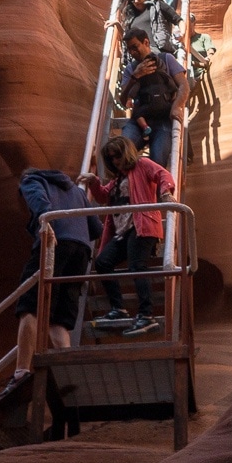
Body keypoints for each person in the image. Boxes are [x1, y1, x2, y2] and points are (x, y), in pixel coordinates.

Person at [0, 168, 100, 402]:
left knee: (30, 305)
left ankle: (21, 372)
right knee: (60, 319)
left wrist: (44, 220)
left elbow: (38, 200)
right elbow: (97, 227)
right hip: (81, 251)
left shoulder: (31, 179)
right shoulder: (76, 190)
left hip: (54, 240)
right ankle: (71, 376)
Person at [80, 136, 176, 337]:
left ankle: (146, 315)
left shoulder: (142, 164)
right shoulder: (118, 180)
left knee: (136, 266)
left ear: (126, 152)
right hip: (123, 231)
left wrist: (166, 193)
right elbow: (104, 196)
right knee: (104, 262)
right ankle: (118, 309)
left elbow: (162, 174)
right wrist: (94, 182)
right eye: (111, 158)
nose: (115, 161)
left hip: (142, 226)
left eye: (117, 155)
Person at [120, 28, 189, 168]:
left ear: (146, 42)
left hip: (163, 118)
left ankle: (155, 188)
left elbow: (183, 85)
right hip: (140, 119)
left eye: (135, 47)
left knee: (157, 161)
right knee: (122, 150)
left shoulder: (165, 59)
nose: (132, 52)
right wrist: (135, 77)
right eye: (129, 49)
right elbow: (123, 100)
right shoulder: (130, 68)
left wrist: (176, 107)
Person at [108, 0, 185, 60]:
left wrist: (183, 33)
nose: (136, 1)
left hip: (158, 52)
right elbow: (127, 38)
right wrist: (117, 25)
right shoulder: (131, 18)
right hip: (138, 57)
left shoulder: (157, 6)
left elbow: (178, 20)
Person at [189, 13, 216, 85]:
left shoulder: (204, 37)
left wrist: (209, 58)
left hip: (202, 74)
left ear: (194, 23)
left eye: (191, 21)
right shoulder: (178, 42)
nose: (188, 24)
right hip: (186, 76)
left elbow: (210, 53)